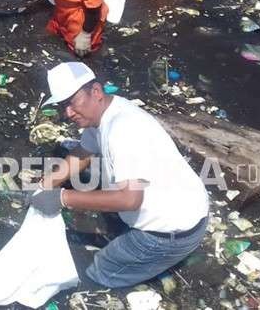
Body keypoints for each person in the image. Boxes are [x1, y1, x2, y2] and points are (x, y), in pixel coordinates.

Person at [34, 62, 210, 288]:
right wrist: (48, 182)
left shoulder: (123, 130)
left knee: (99, 271)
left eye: (72, 102)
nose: (68, 113)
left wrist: (62, 198)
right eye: (63, 105)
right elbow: (84, 151)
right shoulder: (106, 112)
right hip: (186, 205)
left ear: (96, 91)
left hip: (169, 235)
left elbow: (129, 199)